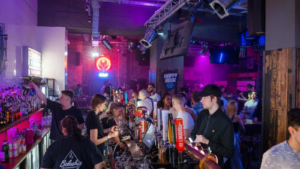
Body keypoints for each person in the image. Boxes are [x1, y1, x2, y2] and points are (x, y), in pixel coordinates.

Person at [190, 84, 234, 169]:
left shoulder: (226, 122)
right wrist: (194, 141)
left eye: (204, 98)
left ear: (214, 99)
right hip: (198, 163)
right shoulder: (202, 115)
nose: (201, 100)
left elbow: (229, 153)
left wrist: (207, 142)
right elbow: (193, 134)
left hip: (214, 165)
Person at [226, 101, 244, 169]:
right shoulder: (236, 116)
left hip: (228, 138)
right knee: (236, 155)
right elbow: (243, 127)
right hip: (235, 138)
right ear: (235, 108)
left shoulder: (226, 116)